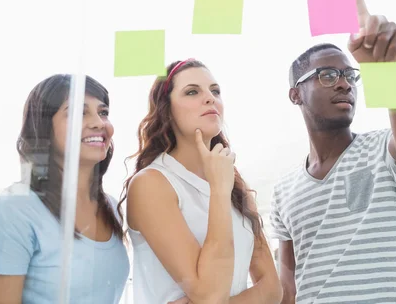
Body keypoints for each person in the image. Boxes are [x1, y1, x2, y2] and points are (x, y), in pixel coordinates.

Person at [270, 0, 396, 304]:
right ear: (295, 93)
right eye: (328, 75)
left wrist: (387, 70)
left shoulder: (383, 150)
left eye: (350, 75)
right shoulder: (283, 189)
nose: (344, 83)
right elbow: (286, 286)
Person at [120, 59, 282, 304]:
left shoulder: (233, 182)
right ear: (167, 110)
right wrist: (218, 190)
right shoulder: (151, 184)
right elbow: (209, 295)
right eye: (192, 92)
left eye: (215, 91)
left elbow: (272, 290)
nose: (210, 98)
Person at [0, 74, 130, 303]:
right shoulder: (14, 209)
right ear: (44, 128)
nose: (98, 122)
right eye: (78, 112)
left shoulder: (111, 206)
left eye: (103, 112)